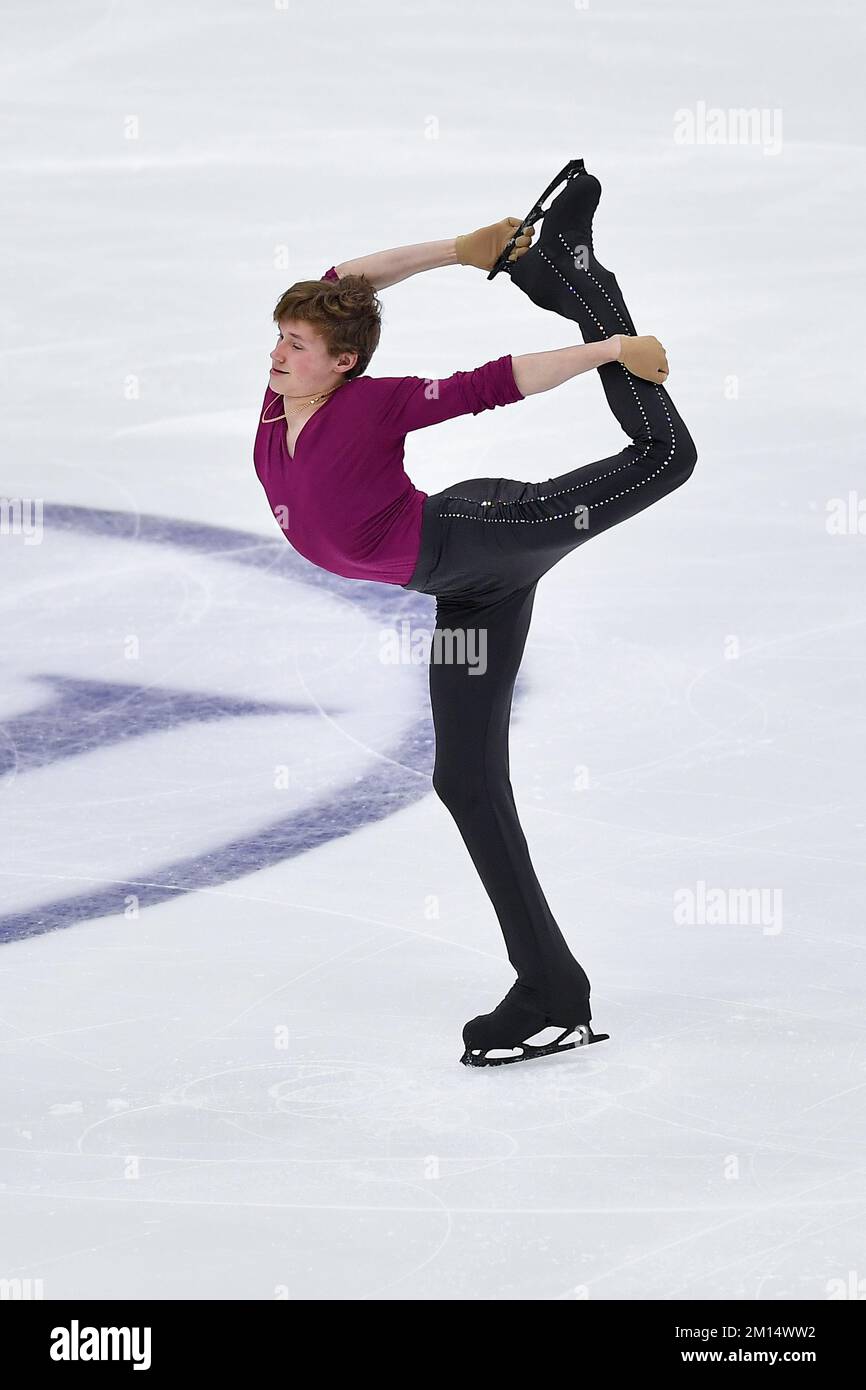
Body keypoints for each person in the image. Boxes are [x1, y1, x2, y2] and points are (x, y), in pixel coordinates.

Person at [253, 162, 698, 1066]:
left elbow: (491, 383)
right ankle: (551, 990)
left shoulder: (368, 405)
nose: (277, 355)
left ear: (343, 365)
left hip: (490, 536)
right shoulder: (282, 399)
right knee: (462, 775)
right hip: (461, 591)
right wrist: (460, 251)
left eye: (297, 345)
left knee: (665, 455)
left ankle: (586, 283)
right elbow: (349, 282)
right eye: (279, 338)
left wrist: (610, 352)